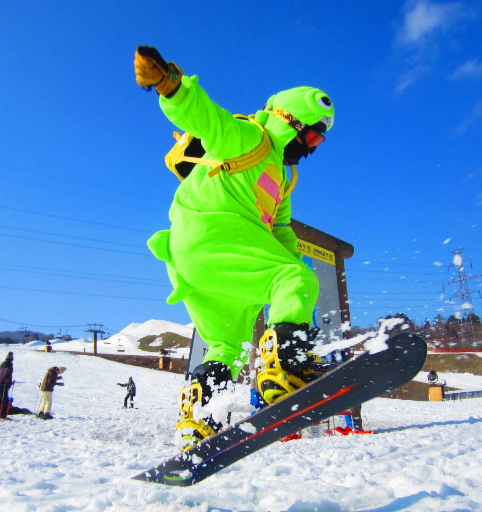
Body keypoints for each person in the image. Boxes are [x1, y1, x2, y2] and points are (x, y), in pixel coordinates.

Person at [134, 46, 334, 450]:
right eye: (312, 135)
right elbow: (208, 120)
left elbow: (281, 234)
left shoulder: (281, 182)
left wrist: (287, 278)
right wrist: (171, 87)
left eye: (319, 142)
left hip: (200, 262)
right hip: (215, 237)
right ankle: (284, 367)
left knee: (229, 346)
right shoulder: (252, 139)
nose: (312, 148)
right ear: (289, 120)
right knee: (296, 279)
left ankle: (200, 417)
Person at [0, 352, 14, 419]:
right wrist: (9, 382)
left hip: (1, 383)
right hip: (4, 385)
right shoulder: (9, 366)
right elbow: (8, 376)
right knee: (5, 400)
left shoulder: (2, 364)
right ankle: (3, 415)